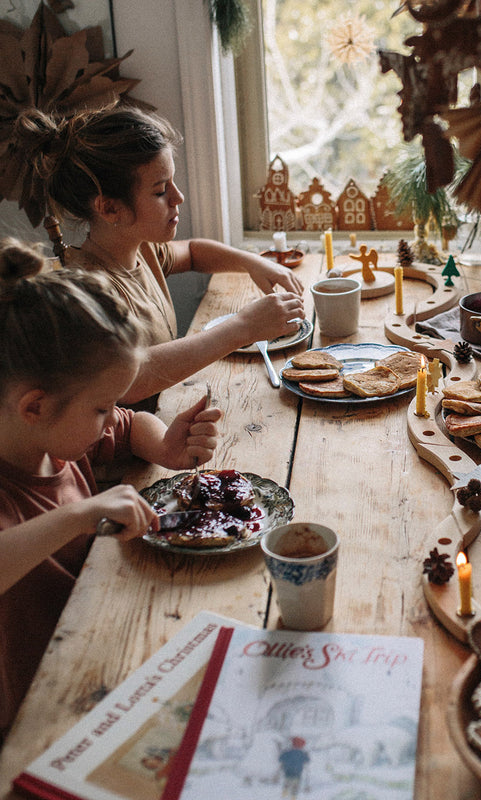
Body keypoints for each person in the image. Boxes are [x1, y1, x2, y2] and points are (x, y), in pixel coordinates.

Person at [0, 238, 223, 736]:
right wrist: (80, 514)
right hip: (36, 716)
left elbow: (127, 425)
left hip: (100, 648)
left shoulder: (54, 435)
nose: (109, 419)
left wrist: (164, 446)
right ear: (34, 407)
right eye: (99, 406)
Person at [13, 105, 306, 405]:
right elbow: (129, 379)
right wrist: (242, 327)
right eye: (160, 190)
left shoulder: (142, 249)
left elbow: (193, 252)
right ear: (110, 208)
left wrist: (251, 262)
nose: (178, 197)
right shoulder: (88, 290)